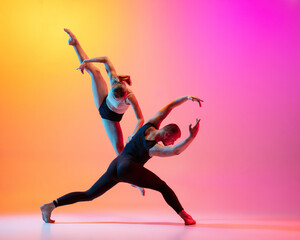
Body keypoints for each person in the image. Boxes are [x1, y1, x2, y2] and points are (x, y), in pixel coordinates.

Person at [41, 95, 203, 225]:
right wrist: (192, 137)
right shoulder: (153, 147)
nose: (173, 142)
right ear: (166, 134)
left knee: (89, 194)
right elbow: (175, 151)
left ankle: (51, 205)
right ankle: (186, 217)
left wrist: (186, 98)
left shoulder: (149, 125)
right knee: (162, 187)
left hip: (116, 164)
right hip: (128, 167)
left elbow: (169, 107)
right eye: (173, 139)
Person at [64, 29, 145, 195]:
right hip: (103, 104)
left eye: (119, 98)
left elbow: (140, 119)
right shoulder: (114, 79)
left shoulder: (130, 98)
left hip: (110, 118)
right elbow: (106, 59)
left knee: (121, 150)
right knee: (95, 71)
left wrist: (134, 133)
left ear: (125, 96)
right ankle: (75, 43)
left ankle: (134, 182)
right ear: (115, 85)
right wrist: (86, 61)